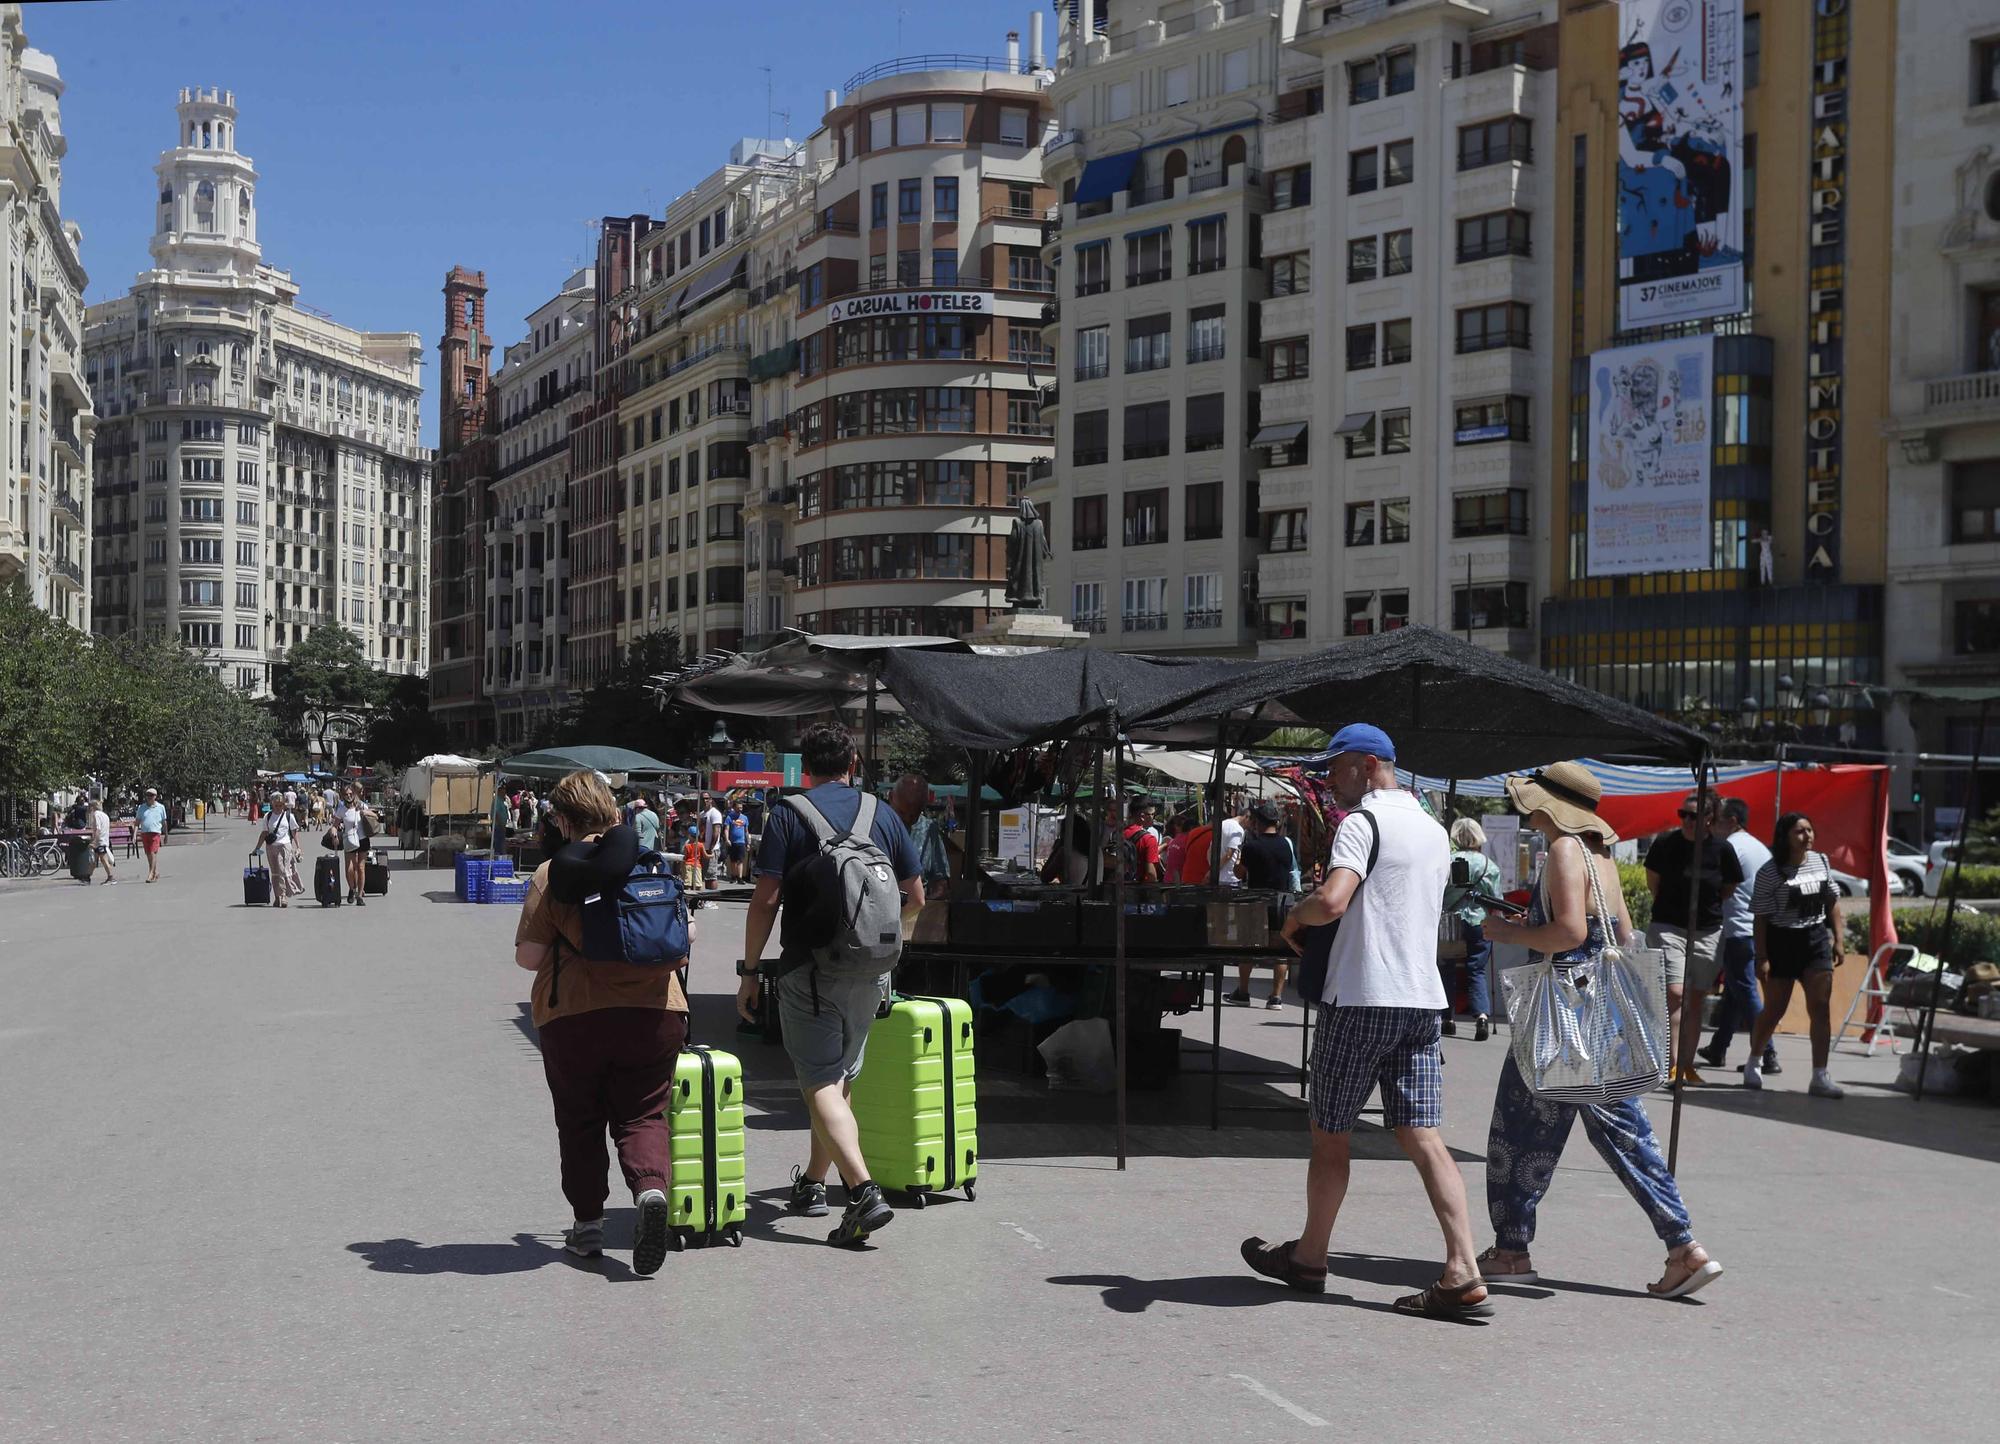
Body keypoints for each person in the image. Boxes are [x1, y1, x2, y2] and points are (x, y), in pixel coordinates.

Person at [1243, 724, 1491, 1320]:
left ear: (1365, 765)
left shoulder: (1362, 824)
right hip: (1421, 1002)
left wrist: (1290, 918)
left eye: (1335, 769)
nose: (1329, 782)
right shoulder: (1435, 831)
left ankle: (1310, 1258)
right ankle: (1463, 1266)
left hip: (1359, 997)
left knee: (1331, 1134)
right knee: (1424, 1136)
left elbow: (1332, 900)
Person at [1477, 763, 1724, 1299]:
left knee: (1518, 1128)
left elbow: (1568, 933)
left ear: (1548, 805)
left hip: (1562, 1017)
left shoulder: (1565, 851)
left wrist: (1506, 931)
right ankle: (1682, 1246)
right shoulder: (1601, 857)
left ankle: (1513, 1250)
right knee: (1623, 1132)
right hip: (1599, 1016)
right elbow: (1621, 933)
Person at [738, 721, 922, 1247]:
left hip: (809, 969)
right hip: (871, 970)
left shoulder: (789, 816)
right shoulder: (882, 813)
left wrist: (750, 972)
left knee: (818, 1079)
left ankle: (863, 1192)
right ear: (854, 765)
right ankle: (815, 1185)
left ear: (805, 765)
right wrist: (888, 950)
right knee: (837, 1080)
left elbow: (766, 902)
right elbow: (918, 896)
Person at [513, 769, 689, 1275]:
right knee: (643, 1114)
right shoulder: (651, 859)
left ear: (565, 820)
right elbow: (683, 935)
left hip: (574, 1015)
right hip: (656, 1012)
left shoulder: (552, 874)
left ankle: (588, 1226)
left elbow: (528, 957)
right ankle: (651, 1192)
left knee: (580, 1121)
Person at [1741, 813, 1845, 1098]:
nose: (1807, 836)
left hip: (1815, 940)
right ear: (1785, 835)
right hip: (1781, 941)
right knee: (1775, 1008)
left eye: (1810, 830)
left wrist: (1838, 939)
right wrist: (1761, 956)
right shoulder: (1770, 872)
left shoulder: (1821, 861)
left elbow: (1832, 901)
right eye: (1800, 831)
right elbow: (1760, 918)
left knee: (1820, 1007)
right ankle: (1754, 1059)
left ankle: (1820, 1075)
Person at [1644, 792, 1743, 1086]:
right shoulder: (1665, 844)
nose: (1686, 821)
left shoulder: (1723, 850)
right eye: (1682, 814)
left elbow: (1729, 887)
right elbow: (1654, 882)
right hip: (1668, 926)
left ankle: (1686, 1066)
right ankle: (1672, 1065)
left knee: (1696, 998)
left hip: (1707, 931)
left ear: (1709, 819)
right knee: (1676, 993)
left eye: (1694, 815)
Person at [1699, 798, 1780, 1076]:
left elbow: (1718, 886)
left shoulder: (1730, 847)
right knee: (1734, 993)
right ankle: (1718, 1047)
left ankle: (1768, 1052)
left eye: (1717, 820)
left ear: (1732, 821)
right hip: (1756, 930)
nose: (1712, 825)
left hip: (1736, 929)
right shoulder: (1759, 848)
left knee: (1744, 991)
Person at [1229, 798, 1295, 1010]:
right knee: (1280, 950)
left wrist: (1239, 858)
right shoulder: (1286, 844)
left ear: (1258, 821)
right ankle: (1276, 996)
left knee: (1249, 947)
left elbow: (1239, 874)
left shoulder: (1251, 846)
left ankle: (1243, 991)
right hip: (1282, 902)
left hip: (1256, 901)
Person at [1444, 818, 1501, 1041]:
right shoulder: (1489, 865)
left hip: (1451, 922)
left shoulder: (1446, 861)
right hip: (1480, 922)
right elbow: (1496, 900)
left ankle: (1447, 1019)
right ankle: (1482, 1017)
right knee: (1476, 970)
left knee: (1447, 968)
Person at [890, 775, 950, 892]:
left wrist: (936, 894)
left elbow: (941, 878)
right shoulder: (877, 824)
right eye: (902, 813)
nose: (907, 819)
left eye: (914, 814)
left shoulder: (928, 830)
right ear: (891, 797)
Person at [335, 784, 375, 906]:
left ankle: (360, 895)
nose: (348, 796)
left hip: (362, 839)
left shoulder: (362, 805)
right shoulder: (341, 809)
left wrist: (365, 812)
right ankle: (352, 889)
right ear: (342, 795)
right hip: (349, 839)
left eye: (350, 794)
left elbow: (375, 816)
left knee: (361, 867)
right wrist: (333, 832)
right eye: (346, 794)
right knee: (350, 868)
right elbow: (335, 825)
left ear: (354, 794)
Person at [261, 793, 299, 909]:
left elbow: (294, 832)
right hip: (271, 847)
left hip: (285, 846)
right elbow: (264, 833)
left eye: (281, 805)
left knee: (283, 871)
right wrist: (257, 847)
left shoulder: (289, 816)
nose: (278, 807)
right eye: (276, 805)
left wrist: (298, 846)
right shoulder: (267, 816)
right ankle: (277, 897)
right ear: (272, 804)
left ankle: (283, 896)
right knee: (275, 872)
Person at [1122, 797, 1161, 883]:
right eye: (1153, 814)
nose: (1153, 818)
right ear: (1143, 817)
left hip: (1118, 885)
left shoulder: (1119, 833)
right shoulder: (1149, 839)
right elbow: (1151, 873)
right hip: (1137, 889)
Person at [136, 787, 168, 884]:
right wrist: (134, 835)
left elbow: (164, 822)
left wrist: (166, 834)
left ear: (155, 797)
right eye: (148, 795)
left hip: (155, 832)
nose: (149, 797)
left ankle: (151, 873)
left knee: (153, 852)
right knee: (148, 853)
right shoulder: (142, 807)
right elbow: (137, 822)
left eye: (151, 795)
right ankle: (155, 872)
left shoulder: (160, 807)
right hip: (145, 832)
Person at [1215, 800, 1247, 890]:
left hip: (1218, 877)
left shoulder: (1223, 823)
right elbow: (1229, 854)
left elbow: (1210, 849)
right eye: (1251, 822)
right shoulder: (1238, 830)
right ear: (1246, 817)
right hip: (1230, 879)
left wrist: (1213, 870)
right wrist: (1217, 869)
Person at [88, 794, 117, 885]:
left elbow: (98, 829)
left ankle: (111, 877)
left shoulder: (96, 815)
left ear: (92, 807)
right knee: (94, 860)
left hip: (100, 841)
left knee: (103, 859)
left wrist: (94, 841)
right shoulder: (105, 815)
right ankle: (87, 876)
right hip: (104, 839)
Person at [725, 799, 752, 883]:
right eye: (738, 807)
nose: (740, 809)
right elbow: (726, 829)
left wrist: (748, 843)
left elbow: (746, 831)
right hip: (732, 842)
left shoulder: (745, 818)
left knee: (740, 860)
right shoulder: (729, 817)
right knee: (733, 860)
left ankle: (740, 877)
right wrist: (727, 839)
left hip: (741, 842)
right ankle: (733, 876)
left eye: (741, 807)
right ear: (734, 807)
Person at [701, 794, 725, 887]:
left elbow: (716, 832)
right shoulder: (702, 814)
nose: (705, 800)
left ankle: (712, 899)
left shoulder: (715, 813)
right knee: (704, 875)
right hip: (702, 848)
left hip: (712, 849)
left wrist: (710, 848)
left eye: (707, 798)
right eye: (703, 799)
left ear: (711, 800)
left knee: (711, 876)